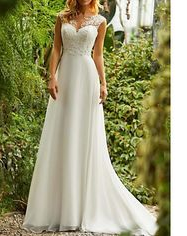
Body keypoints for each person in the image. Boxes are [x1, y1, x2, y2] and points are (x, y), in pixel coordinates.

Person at [21, 0, 158, 235]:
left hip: (86, 79)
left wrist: (103, 83)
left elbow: (98, 56)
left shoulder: (101, 21)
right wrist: (51, 77)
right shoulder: (62, 17)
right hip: (65, 79)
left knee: (82, 137)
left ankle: (80, 210)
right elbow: (56, 49)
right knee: (62, 136)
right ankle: (60, 209)